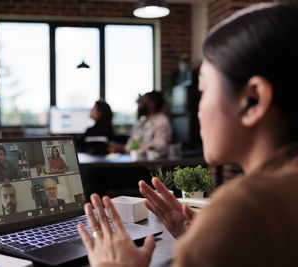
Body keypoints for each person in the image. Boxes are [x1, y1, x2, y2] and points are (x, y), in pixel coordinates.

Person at [77, 3, 298, 267]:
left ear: (253, 100)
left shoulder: (243, 211)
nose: (198, 110)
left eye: (203, 91)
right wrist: (198, 241)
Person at [108, 90, 172, 156]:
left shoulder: (161, 120)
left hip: (153, 163)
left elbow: (159, 145)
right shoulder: (140, 123)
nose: (138, 104)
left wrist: (126, 149)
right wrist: (123, 148)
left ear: (152, 103)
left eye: (142, 101)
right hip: (137, 161)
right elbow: (132, 142)